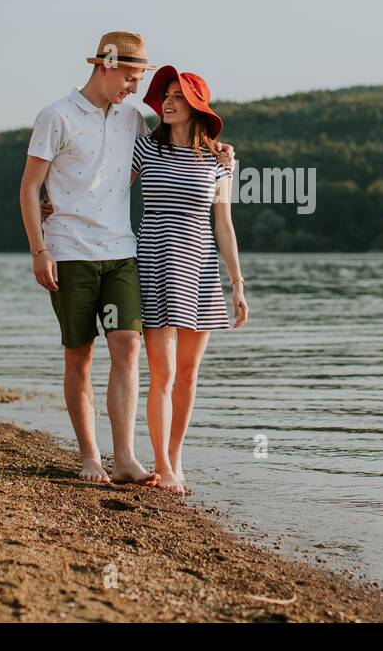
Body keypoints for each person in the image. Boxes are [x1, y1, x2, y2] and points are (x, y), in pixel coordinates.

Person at [18, 32, 231, 485]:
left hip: (122, 253)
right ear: (105, 65)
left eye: (139, 80)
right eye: (132, 77)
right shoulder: (55, 116)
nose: (136, 88)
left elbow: (168, 157)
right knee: (79, 357)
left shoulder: (132, 119)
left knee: (128, 348)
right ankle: (90, 457)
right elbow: (28, 189)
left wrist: (220, 151)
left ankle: (127, 458)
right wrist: (40, 249)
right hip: (68, 252)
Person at [132, 65, 248, 495]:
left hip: (199, 271)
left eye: (178, 96)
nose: (167, 101)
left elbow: (225, 226)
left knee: (187, 374)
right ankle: (161, 463)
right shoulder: (144, 150)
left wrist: (237, 283)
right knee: (159, 374)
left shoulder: (220, 162)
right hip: (154, 265)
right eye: (165, 94)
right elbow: (105, 192)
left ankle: (176, 456)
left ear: (196, 107)